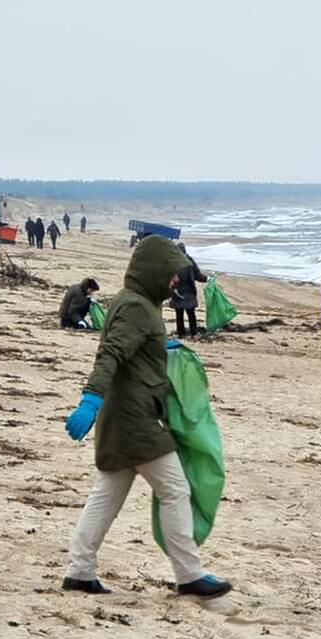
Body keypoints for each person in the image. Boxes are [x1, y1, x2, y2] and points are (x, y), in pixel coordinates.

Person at [61, 235, 232, 598]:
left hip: (122, 416)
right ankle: (189, 575)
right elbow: (110, 353)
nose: (174, 281)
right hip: (133, 417)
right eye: (171, 274)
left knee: (106, 494)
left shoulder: (135, 302)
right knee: (175, 489)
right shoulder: (138, 307)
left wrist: (160, 347)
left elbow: (132, 347)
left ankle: (79, 571)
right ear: (155, 270)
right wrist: (90, 399)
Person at [170, 242, 208, 337]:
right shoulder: (189, 261)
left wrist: (207, 279)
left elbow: (197, 275)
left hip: (180, 291)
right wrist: (207, 279)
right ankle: (192, 333)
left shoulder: (173, 262)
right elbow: (198, 275)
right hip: (182, 291)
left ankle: (182, 334)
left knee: (181, 314)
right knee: (189, 313)